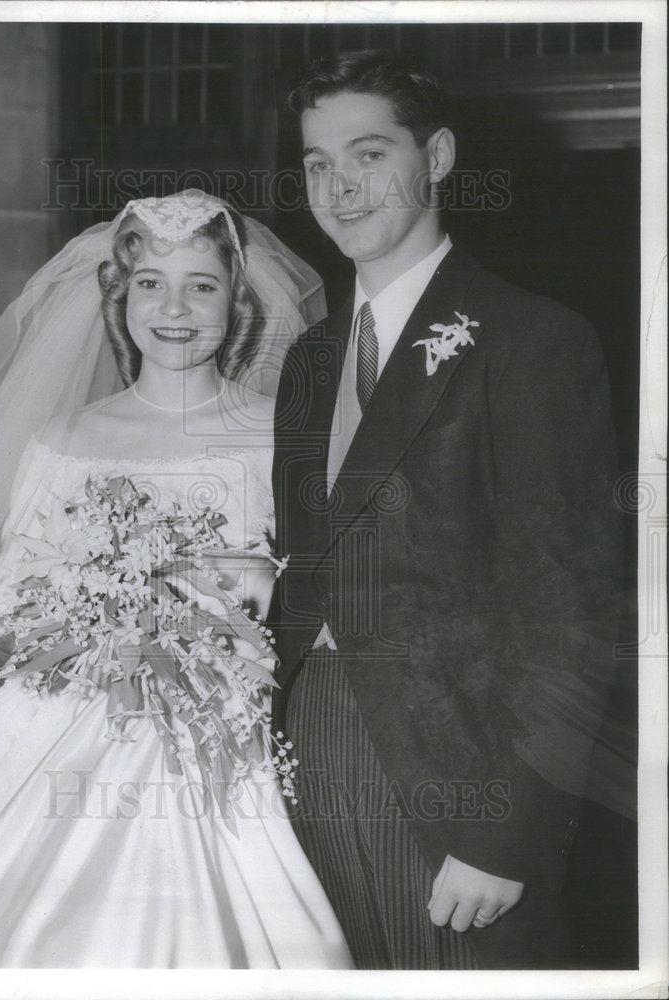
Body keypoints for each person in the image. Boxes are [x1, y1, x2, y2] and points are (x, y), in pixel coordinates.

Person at [0, 190, 353, 969]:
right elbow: (18, 599)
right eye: (149, 283)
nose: (174, 307)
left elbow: (310, 588)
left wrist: (203, 630)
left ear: (236, 299)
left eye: (200, 284)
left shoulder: (281, 433)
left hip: (224, 725)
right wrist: (102, 621)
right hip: (58, 726)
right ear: (118, 296)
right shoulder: (67, 438)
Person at [271, 50, 636, 970]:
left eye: (367, 154)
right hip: (301, 753)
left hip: (457, 778)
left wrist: (507, 832)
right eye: (317, 163)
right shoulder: (311, 359)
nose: (339, 187)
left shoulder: (531, 338)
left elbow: (576, 609)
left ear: (434, 158)